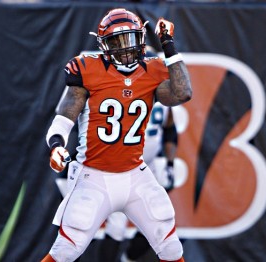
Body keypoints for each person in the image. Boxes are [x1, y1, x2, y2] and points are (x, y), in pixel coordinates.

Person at [42, 7, 192, 262]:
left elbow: (182, 93)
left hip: (135, 173)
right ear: (103, 45)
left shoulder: (153, 70)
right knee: (65, 250)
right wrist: (56, 145)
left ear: (141, 39)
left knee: (170, 245)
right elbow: (64, 117)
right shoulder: (88, 70)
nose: (124, 48)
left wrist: (168, 45)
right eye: (116, 42)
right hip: (94, 175)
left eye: (129, 39)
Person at [99, 101, 178, 262]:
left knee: (158, 223)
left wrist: (170, 164)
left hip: (149, 166)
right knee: (117, 226)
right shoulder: (127, 90)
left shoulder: (163, 95)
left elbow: (170, 129)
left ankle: (127, 259)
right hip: (122, 165)